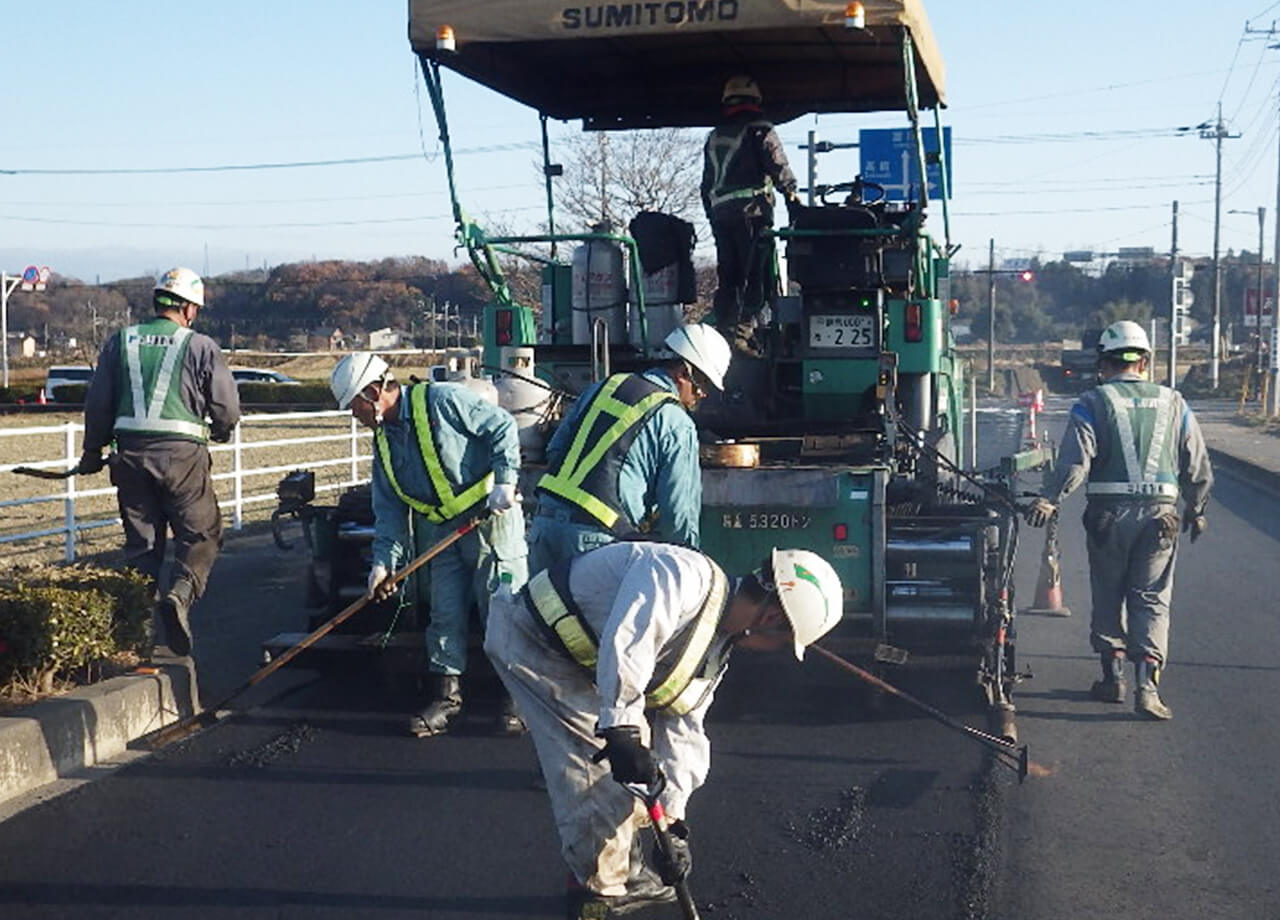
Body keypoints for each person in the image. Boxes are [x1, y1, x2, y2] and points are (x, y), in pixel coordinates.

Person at [484, 540, 844, 918]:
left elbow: (685, 725)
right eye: (784, 643)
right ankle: (596, 896)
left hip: (579, 662)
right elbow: (631, 641)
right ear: (771, 619)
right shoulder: (681, 575)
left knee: (641, 775)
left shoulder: (714, 647)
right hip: (533, 641)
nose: (776, 652)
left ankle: (628, 872)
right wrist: (621, 727)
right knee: (597, 777)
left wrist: (673, 823)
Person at [330, 353, 528, 737]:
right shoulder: (385, 442)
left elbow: (502, 425)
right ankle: (446, 698)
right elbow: (388, 509)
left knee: (501, 610)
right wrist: (382, 564)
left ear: (373, 393)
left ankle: (517, 699)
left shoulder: (442, 401)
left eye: (354, 406)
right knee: (444, 614)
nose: (354, 416)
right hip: (444, 532)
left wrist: (506, 481)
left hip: (491, 521)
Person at [1026, 320, 1213, 720]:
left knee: (1109, 593)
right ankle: (1148, 687)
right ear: (1145, 361)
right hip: (1161, 518)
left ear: (1103, 363)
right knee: (1151, 599)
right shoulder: (1174, 402)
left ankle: (1112, 679)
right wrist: (1197, 509)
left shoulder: (1092, 402)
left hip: (1107, 518)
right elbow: (1196, 463)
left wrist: (1048, 499)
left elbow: (1076, 461)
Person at [79, 267, 240, 657]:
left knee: (142, 545)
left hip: (129, 457)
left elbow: (98, 402)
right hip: (182, 457)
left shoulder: (121, 342)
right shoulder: (200, 345)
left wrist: (91, 451)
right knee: (201, 532)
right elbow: (226, 406)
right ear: (188, 308)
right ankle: (180, 594)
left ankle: (137, 633)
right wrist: (222, 428)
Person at [527, 323, 732, 576]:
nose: (702, 395)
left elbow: (556, 449)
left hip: (543, 527)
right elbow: (679, 509)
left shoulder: (605, 386)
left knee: (540, 615)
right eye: (703, 386)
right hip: (596, 544)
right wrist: (688, 565)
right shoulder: (677, 421)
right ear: (683, 372)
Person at [701, 74, 799, 357]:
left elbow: (706, 185)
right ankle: (742, 335)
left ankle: (723, 332)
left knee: (729, 276)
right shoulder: (761, 130)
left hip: (721, 216)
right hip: (752, 214)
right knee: (755, 275)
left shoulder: (715, 136)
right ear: (755, 100)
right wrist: (793, 196)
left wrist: (712, 215)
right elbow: (778, 165)